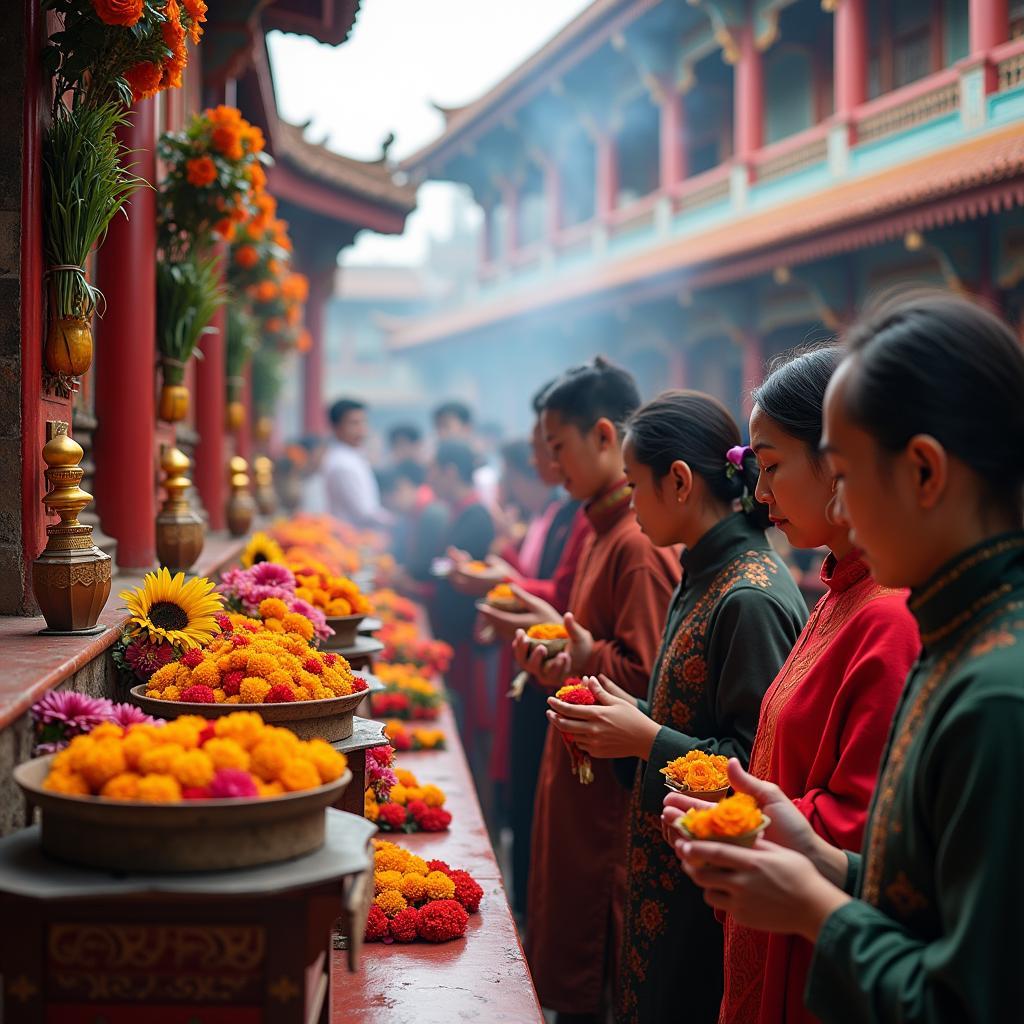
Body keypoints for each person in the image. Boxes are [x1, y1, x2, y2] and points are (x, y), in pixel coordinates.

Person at [667, 290, 1024, 1023]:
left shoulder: (994, 691)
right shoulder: (959, 631)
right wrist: (824, 861)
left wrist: (817, 911)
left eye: (848, 477)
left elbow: (967, 1001)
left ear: (924, 472)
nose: (842, 509)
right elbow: (920, 898)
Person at [546, 390, 808, 1024]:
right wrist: (624, 715)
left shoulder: (747, 596)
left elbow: (759, 770)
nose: (631, 505)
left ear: (681, 482)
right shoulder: (705, 575)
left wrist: (643, 738)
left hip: (708, 904)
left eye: (636, 486)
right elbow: (687, 718)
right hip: (668, 876)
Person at [709, 348, 920, 1024]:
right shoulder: (837, 589)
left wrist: (741, 820)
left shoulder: (888, 614)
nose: (760, 493)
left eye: (771, 467)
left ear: (838, 462)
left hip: (813, 945)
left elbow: (863, 832)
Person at [510, 357, 682, 1023]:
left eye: (559, 447)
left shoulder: (636, 545)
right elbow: (595, 647)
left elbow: (643, 678)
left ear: (605, 436)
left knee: (597, 960)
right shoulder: (603, 529)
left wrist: (575, 655)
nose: (551, 465)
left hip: (606, 789)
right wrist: (558, 650)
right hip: (578, 774)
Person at [428, 440, 496, 748]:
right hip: (454, 631)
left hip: (466, 632)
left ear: (450, 472)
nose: (430, 479)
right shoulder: (460, 511)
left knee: (464, 712)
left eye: (434, 472)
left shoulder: (476, 515)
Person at [322, 398, 391, 529]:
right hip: (351, 538)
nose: (362, 429)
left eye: (364, 422)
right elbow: (365, 512)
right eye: (354, 423)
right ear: (336, 427)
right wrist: (393, 521)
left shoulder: (351, 456)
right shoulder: (342, 463)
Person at [379, 459, 448, 586]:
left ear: (402, 486)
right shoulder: (413, 513)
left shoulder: (431, 513)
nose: (393, 509)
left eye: (389, 502)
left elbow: (427, 567)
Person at [433, 399, 500, 511]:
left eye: (446, 426)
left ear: (467, 428)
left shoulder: (484, 470)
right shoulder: (437, 469)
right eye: (438, 428)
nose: (441, 433)